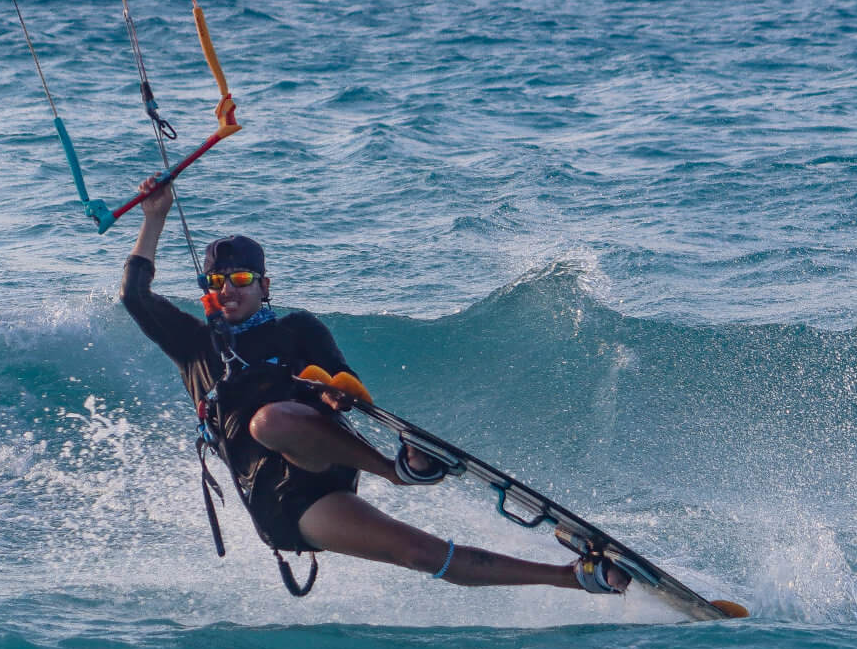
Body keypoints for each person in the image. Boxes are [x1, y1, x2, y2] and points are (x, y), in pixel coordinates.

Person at [120, 180, 629, 595]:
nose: (227, 288)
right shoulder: (194, 344)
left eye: (242, 277)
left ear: (265, 285)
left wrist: (337, 395)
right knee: (421, 553)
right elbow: (134, 295)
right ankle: (575, 579)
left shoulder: (298, 328)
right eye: (216, 281)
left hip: (320, 461)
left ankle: (396, 472)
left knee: (272, 420)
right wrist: (155, 216)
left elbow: (346, 385)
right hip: (278, 504)